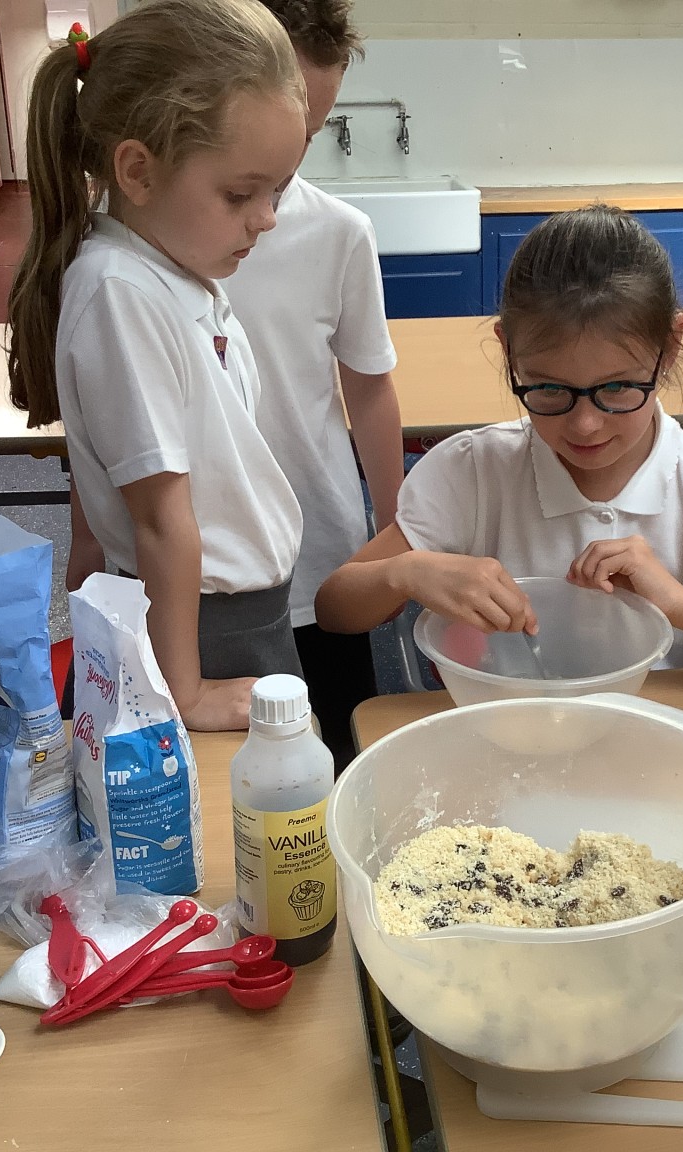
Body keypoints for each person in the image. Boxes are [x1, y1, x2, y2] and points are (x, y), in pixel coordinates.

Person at [315, 206, 683, 697]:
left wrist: (680, 603)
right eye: (549, 388)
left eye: (618, 388)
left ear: (670, 347)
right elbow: (333, 610)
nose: (585, 425)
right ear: (509, 352)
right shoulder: (472, 475)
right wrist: (407, 572)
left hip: (661, 750)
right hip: (508, 740)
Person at [7, 0, 308, 731]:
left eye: (276, 191)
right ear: (138, 171)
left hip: (230, 615)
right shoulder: (122, 292)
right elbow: (161, 520)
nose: (267, 217)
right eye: (240, 194)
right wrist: (186, 692)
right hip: (195, 634)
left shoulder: (174, 275)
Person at [223, 0, 402, 768]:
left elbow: (369, 387)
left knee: (342, 756)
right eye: (289, 119)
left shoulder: (338, 232)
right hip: (211, 562)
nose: (297, 151)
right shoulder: (159, 237)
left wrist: (398, 526)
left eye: (316, 127)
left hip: (319, 548)